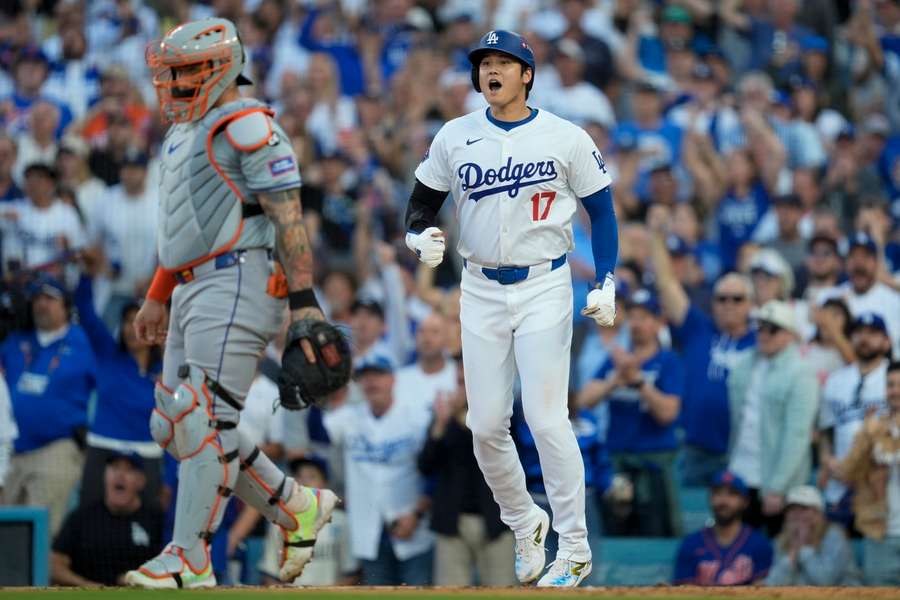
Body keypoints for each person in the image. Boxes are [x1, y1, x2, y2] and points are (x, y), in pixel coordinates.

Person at [125, 18, 340, 588]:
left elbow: (288, 216)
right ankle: (295, 504)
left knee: (201, 417)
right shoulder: (184, 131)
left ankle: (190, 557)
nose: (172, 83)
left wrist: (305, 304)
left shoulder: (249, 125)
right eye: (169, 72)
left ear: (219, 66)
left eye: (183, 71)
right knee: (172, 424)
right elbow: (185, 228)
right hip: (193, 283)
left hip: (240, 278)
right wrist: (156, 296)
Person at [404, 29, 618, 587]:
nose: (491, 70)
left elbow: (604, 211)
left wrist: (608, 277)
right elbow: (421, 203)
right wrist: (417, 236)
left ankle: (573, 547)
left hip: (545, 283)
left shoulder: (564, 136)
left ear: (526, 74)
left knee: (547, 419)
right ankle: (525, 522)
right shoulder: (455, 136)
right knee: (483, 425)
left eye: (504, 62)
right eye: (484, 63)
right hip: (478, 288)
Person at [648, 204, 756, 486]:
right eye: (722, 299)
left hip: (745, 449)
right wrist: (656, 236)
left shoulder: (761, 340)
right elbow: (667, 283)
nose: (729, 305)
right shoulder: (700, 328)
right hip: (698, 450)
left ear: (750, 305)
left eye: (737, 299)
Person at [578, 289, 683, 537]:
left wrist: (639, 382)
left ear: (659, 323)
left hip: (654, 465)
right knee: (616, 534)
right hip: (617, 463)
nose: (637, 323)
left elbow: (668, 413)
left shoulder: (668, 362)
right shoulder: (616, 360)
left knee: (656, 537)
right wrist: (615, 380)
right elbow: (585, 400)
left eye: (645, 317)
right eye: (633, 316)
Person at [322, 355, 434, 586]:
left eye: (378, 375)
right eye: (366, 377)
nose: (372, 382)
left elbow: (434, 471)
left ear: (393, 379)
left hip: (413, 527)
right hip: (369, 531)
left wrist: (417, 514)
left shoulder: (417, 417)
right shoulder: (349, 417)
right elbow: (315, 432)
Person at [0, 275, 96, 536]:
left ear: (66, 306)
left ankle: (40, 578)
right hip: (11, 451)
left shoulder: (82, 342)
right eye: (38, 298)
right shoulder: (16, 341)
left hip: (56, 448)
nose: (42, 304)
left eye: (50, 298)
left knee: (37, 535)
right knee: (8, 536)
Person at [419, 356, 515, 586]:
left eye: (469, 382)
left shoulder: (505, 411)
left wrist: (468, 418)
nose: (464, 388)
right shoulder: (444, 417)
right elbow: (425, 466)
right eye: (460, 382)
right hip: (454, 521)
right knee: (450, 592)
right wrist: (441, 425)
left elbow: (508, 458)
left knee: (504, 591)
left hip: (497, 519)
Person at [72, 271, 164, 510]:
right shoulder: (107, 354)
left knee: (145, 532)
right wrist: (87, 273)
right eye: (127, 322)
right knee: (92, 525)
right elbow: (85, 311)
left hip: (148, 456)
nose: (132, 328)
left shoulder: (168, 370)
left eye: (139, 321)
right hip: (102, 449)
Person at [727, 300, 819, 536]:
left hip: (776, 482)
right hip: (741, 472)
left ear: (789, 335)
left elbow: (797, 436)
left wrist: (777, 487)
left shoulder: (802, 373)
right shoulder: (744, 364)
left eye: (773, 329)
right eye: (760, 327)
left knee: (778, 552)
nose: (764, 334)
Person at [818, 312, 891, 528]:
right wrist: (827, 459)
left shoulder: (894, 378)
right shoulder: (836, 380)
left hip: (881, 483)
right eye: (858, 333)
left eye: (872, 333)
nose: (864, 338)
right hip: (840, 482)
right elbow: (825, 431)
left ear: (886, 341)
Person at [51, 452, 164, 586]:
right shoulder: (82, 518)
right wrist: (85, 585)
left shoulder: (156, 520)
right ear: (105, 476)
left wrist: (138, 580)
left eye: (129, 470)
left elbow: (171, 566)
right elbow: (54, 565)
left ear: (140, 481)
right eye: (115, 468)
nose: (120, 475)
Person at [832, 361, 900, 585]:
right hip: (880, 532)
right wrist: (867, 435)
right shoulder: (873, 427)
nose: (895, 391)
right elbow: (847, 472)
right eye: (890, 385)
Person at [258, 457, 358, 586]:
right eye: (298, 476)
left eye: (312, 476)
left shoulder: (341, 521)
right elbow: (269, 575)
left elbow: (351, 574)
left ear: (325, 484)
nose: (304, 482)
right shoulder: (279, 522)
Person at [673, 471, 773, 586]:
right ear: (710, 499)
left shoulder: (760, 544)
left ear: (745, 502)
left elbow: (764, 592)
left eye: (732, 494)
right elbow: (683, 591)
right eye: (717, 493)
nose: (723, 500)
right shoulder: (690, 544)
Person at [764, 485, 862, 586]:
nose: (797, 514)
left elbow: (826, 581)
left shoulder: (834, 535)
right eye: (792, 509)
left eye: (804, 509)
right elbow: (772, 584)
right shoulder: (782, 539)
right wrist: (791, 556)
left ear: (818, 513)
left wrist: (803, 549)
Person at [394, 312, 456, 411]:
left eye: (435, 332)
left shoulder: (459, 377)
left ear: (447, 338)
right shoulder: (398, 379)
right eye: (421, 331)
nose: (427, 338)